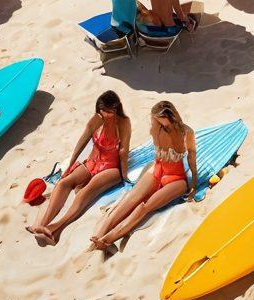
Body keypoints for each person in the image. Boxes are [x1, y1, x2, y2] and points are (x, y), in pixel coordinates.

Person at [90, 101, 197, 255]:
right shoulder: (156, 129)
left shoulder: (187, 132)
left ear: (169, 116)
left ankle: (110, 237)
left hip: (176, 178)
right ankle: (100, 233)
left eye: (157, 120)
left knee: (144, 207)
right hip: (158, 169)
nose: (154, 124)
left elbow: (192, 157)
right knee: (130, 199)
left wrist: (193, 182)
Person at [26, 91, 131, 246]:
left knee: (84, 192)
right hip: (92, 163)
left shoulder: (123, 122)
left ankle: (55, 230)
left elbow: (123, 151)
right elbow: (82, 142)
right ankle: (42, 224)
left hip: (111, 167)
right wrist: (69, 166)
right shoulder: (96, 120)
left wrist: (124, 175)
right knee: (64, 183)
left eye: (111, 111)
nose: (108, 114)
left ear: (117, 109)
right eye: (104, 111)